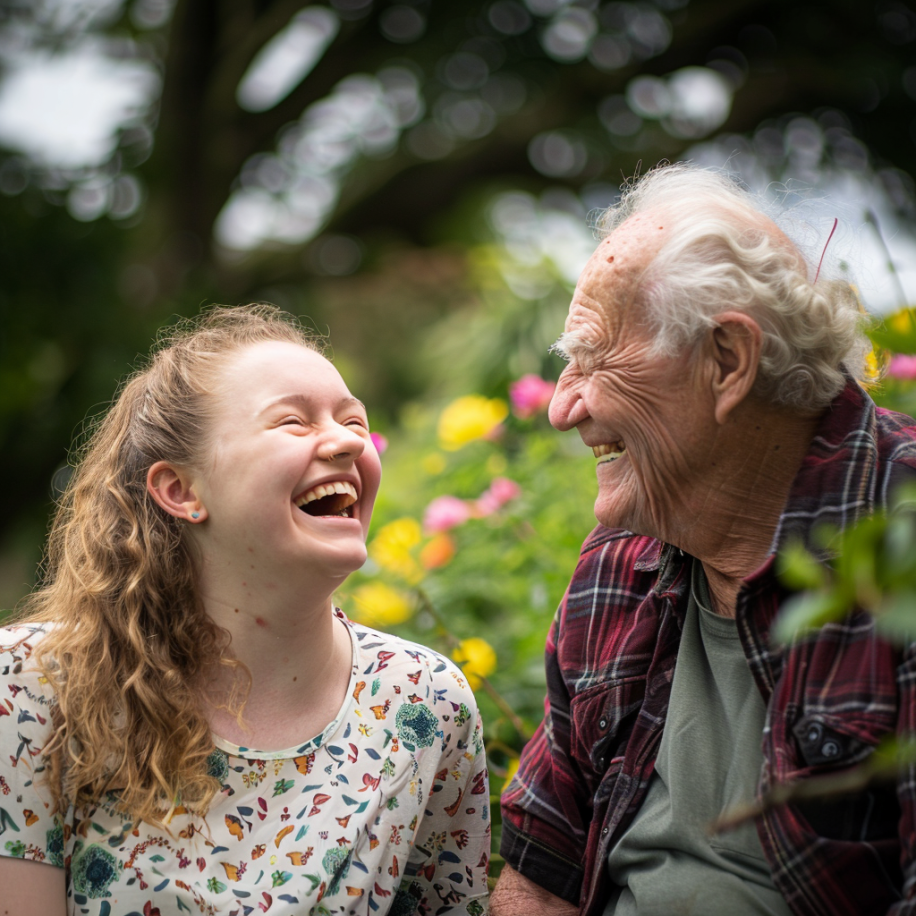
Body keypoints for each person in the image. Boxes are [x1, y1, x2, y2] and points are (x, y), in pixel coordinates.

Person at [491, 165, 916, 916]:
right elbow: (541, 869)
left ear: (727, 361)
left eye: (594, 358)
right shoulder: (619, 562)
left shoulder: (900, 543)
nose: (562, 408)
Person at [0, 304, 490, 916]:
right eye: (293, 422)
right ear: (181, 491)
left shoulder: (425, 702)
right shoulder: (29, 687)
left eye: (354, 422)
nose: (347, 441)